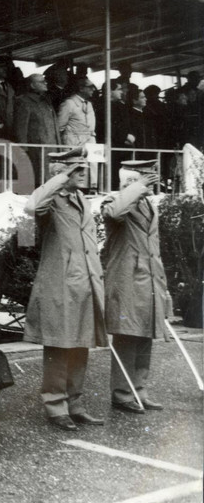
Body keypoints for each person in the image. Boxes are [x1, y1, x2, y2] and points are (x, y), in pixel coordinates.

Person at [22, 148, 107, 431]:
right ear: (63, 173)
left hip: (85, 282)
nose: (85, 174)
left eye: (85, 169)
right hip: (60, 284)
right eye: (78, 170)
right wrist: (60, 178)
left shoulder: (81, 199)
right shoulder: (52, 200)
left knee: (80, 345)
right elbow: (32, 206)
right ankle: (56, 406)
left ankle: (76, 404)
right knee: (59, 347)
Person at [101, 160, 172, 414]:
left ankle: (139, 391)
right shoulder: (114, 201)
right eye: (146, 179)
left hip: (149, 279)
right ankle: (121, 393)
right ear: (131, 183)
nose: (151, 183)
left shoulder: (148, 205)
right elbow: (115, 213)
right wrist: (137, 186)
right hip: (127, 281)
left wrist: (163, 284)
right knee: (127, 337)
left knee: (145, 337)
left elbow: (154, 249)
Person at [13, 73, 62, 186]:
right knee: (40, 180)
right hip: (38, 149)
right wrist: (23, 151)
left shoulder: (46, 100)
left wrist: (59, 146)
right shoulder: (24, 101)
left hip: (52, 148)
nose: (45, 83)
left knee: (52, 180)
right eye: (41, 81)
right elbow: (21, 128)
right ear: (32, 85)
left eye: (44, 81)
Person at [57, 77, 97, 146]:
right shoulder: (69, 103)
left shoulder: (89, 104)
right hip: (73, 144)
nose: (93, 89)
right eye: (90, 87)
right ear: (81, 88)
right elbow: (60, 127)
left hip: (89, 143)